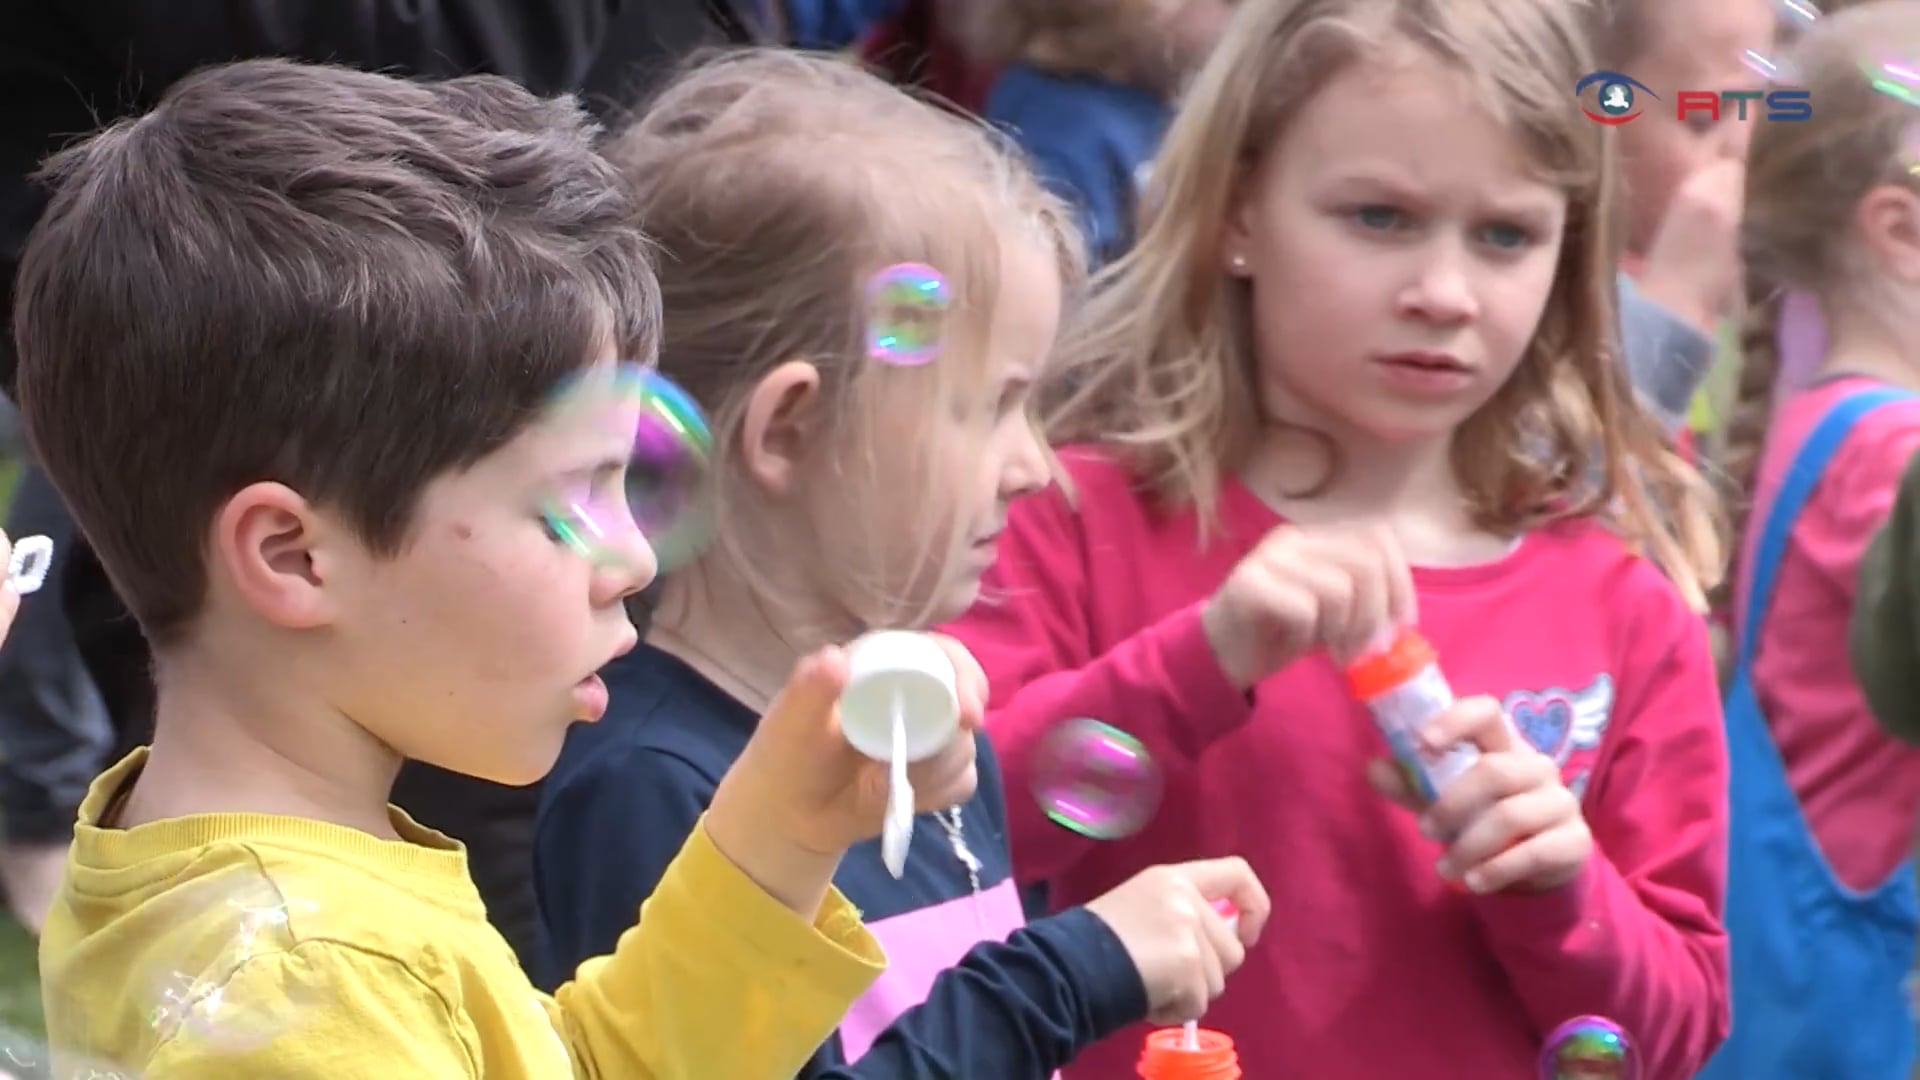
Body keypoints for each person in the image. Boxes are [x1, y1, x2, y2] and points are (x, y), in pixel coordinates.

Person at [12, 57, 984, 1077]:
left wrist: (782, 835)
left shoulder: (255, 900)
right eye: (574, 496)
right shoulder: (309, 995)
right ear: (295, 556)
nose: (634, 557)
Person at [942, 0, 1731, 1075]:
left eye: (1506, 235)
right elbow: (940, 840)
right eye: (1379, 216)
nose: (1444, 293)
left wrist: (1562, 889)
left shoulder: (1624, 608)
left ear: (1570, 253)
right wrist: (1199, 661)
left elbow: (1676, 1030)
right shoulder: (1079, 518)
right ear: (1235, 213)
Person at [533, 50, 1269, 1078]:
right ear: (790, 428)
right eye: (993, 405)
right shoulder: (655, 789)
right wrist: (1073, 970)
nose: (1038, 470)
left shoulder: (923, 738)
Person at [1700, 6, 1920, 1077]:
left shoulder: (1816, 420)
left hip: (1797, 981)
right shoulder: (1895, 449)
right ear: (1902, 228)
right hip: (1872, 1002)